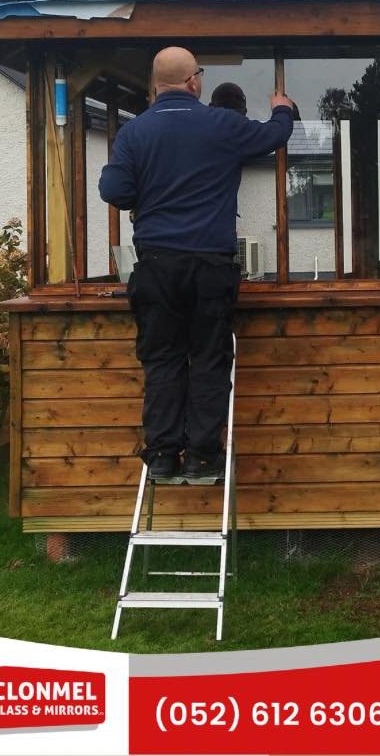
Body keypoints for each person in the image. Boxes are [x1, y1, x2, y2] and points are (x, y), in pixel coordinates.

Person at [99, 47, 295, 481]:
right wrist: (283, 110)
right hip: (210, 265)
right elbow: (270, 137)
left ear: (155, 85)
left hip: (156, 266)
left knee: (163, 359)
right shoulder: (221, 124)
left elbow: (114, 190)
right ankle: (204, 457)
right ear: (194, 81)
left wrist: (147, 192)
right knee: (208, 358)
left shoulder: (135, 133)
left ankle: (164, 456)